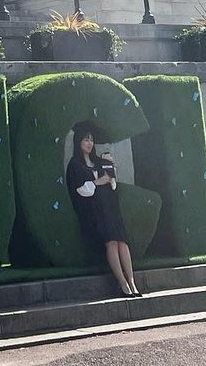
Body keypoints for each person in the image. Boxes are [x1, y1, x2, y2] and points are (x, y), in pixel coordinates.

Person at [65, 119, 142, 297]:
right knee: (112, 243)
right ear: (79, 142)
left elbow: (113, 185)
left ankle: (132, 281)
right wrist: (98, 181)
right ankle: (122, 283)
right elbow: (81, 190)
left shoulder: (100, 162)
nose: (89, 143)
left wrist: (111, 170)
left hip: (110, 207)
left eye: (91, 140)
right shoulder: (75, 165)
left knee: (123, 242)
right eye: (86, 140)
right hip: (95, 210)